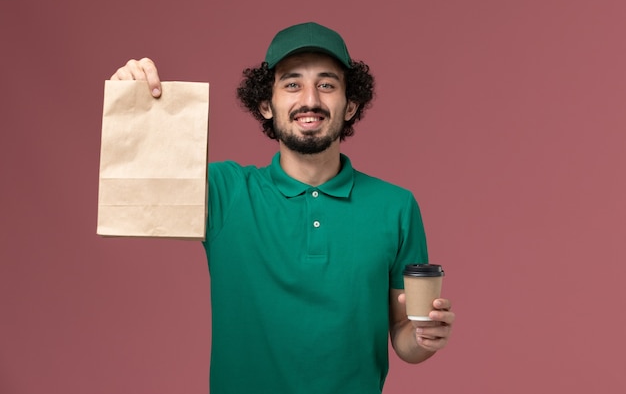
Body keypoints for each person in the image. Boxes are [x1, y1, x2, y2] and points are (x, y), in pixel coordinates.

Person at [111, 22, 455, 394]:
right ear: (266, 105)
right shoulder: (224, 192)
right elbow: (135, 185)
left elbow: (404, 335)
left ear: (351, 104)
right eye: (292, 84)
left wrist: (424, 337)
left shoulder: (396, 206)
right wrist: (131, 101)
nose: (310, 99)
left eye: (327, 84)